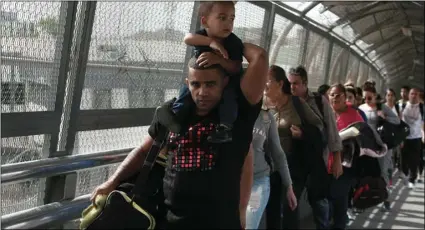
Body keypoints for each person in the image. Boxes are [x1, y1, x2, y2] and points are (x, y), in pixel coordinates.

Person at [90, 43, 269, 229]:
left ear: (224, 83)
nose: (202, 92)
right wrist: (113, 181)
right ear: (187, 84)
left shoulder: (236, 117)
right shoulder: (172, 114)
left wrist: (218, 42)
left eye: (210, 84)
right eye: (196, 84)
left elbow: (260, 57)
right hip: (169, 221)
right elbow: (144, 152)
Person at [170, 1, 243, 144]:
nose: (228, 23)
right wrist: (211, 43)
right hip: (200, 80)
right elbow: (187, 38)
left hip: (224, 82)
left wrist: (220, 60)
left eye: (231, 18)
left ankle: (225, 128)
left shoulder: (233, 42)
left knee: (229, 97)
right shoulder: (202, 36)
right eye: (222, 18)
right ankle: (175, 117)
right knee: (187, 91)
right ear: (205, 21)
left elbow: (236, 67)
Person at [287, 66, 343, 229]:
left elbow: (332, 131)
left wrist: (337, 159)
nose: (292, 87)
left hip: (317, 159)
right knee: (292, 196)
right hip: (296, 159)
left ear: (305, 84)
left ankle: (322, 225)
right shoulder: (287, 100)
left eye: (296, 83)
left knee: (317, 198)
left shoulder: (319, 101)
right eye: (290, 83)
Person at [245, 104, 297, 229]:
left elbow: (278, 153)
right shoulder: (227, 112)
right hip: (232, 183)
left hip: (257, 183)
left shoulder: (265, 116)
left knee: (249, 225)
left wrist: (289, 186)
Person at [328, 84, 364, 228]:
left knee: (339, 200)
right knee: (327, 201)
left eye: (339, 95)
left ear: (344, 98)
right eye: (332, 95)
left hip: (346, 165)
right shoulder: (324, 113)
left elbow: (362, 136)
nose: (335, 98)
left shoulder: (354, 115)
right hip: (325, 164)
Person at [359, 85, 400, 211]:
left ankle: (385, 199)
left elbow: (397, 120)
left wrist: (384, 117)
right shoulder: (361, 108)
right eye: (364, 97)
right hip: (366, 145)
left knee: (382, 171)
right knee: (364, 172)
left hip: (382, 145)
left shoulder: (382, 107)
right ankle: (363, 200)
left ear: (375, 96)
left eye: (369, 97)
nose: (366, 99)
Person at [400, 88, 424, 189]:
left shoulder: (422, 107)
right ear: (408, 95)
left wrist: (424, 135)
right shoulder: (402, 106)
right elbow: (398, 121)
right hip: (404, 138)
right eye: (412, 94)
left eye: (416, 94)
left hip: (417, 137)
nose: (414, 96)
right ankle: (406, 173)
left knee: (414, 160)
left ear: (418, 96)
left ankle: (412, 178)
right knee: (404, 160)